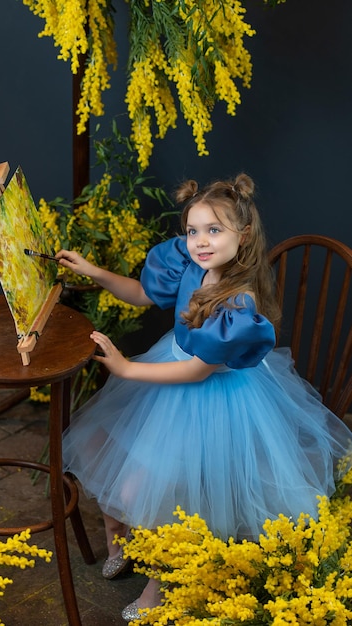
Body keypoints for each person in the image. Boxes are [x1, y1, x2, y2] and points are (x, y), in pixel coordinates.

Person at [56, 173, 351, 621]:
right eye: (193, 230)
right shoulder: (187, 263)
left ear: (243, 235)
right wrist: (95, 272)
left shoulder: (239, 303)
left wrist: (125, 366)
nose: (201, 241)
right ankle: (120, 536)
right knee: (115, 460)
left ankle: (160, 583)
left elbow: (197, 370)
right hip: (168, 370)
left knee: (165, 493)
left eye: (215, 230)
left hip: (211, 395)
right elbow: (139, 294)